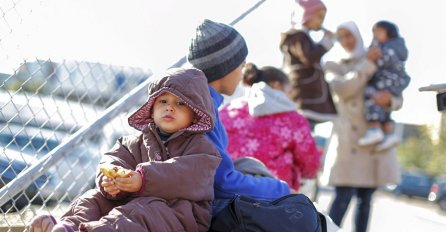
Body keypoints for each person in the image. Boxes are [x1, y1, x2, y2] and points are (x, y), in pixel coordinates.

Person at [29, 68, 222, 232]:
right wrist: (111, 181)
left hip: (180, 216)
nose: (170, 108)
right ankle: (69, 225)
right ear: (152, 109)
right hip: (132, 204)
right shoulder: (133, 143)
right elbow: (113, 159)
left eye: (180, 103)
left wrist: (143, 179)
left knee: (141, 210)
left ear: (195, 114)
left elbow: (184, 174)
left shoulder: (202, 149)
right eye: (163, 101)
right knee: (94, 198)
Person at [323, 21, 402, 232]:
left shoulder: (377, 56)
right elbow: (342, 89)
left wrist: (390, 101)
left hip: (374, 138)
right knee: (342, 197)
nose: (346, 41)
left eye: (349, 35)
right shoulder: (334, 64)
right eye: (341, 37)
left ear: (358, 35)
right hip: (350, 141)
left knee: (365, 201)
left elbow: (395, 90)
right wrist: (367, 65)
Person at [219, 62, 321, 191]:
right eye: (289, 91)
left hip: (228, 187)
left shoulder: (229, 110)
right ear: (276, 85)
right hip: (273, 194)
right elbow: (310, 162)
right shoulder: (292, 118)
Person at [279, 0, 337, 127]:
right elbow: (309, 57)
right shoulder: (297, 36)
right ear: (307, 15)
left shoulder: (303, 37)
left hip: (309, 96)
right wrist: (325, 43)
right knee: (302, 130)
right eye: (319, 17)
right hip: (303, 96)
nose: (321, 21)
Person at [358, 20, 411, 151]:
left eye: (378, 32)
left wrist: (370, 57)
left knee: (371, 96)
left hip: (385, 80)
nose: (375, 35)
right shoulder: (397, 48)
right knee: (385, 110)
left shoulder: (386, 49)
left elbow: (381, 62)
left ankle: (375, 129)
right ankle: (389, 134)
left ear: (388, 33)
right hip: (392, 82)